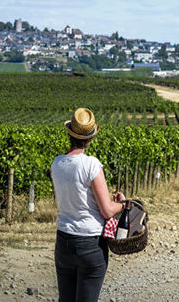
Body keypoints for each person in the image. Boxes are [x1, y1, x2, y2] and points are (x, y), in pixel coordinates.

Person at [51, 107, 126, 302]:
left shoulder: (57, 163)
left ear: (69, 134)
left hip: (63, 242)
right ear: (90, 138)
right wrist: (123, 204)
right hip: (90, 244)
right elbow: (108, 210)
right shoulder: (91, 164)